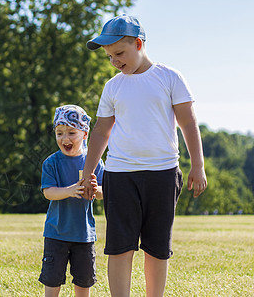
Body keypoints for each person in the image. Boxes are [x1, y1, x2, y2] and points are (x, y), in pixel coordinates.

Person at [82, 15, 207, 296]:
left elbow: (188, 122)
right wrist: (87, 172)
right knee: (119, 246)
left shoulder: (169, 78)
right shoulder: (113, 86)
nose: (114, 61)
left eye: (119, 54)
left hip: (163, 174)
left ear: (138, 44)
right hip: (120, 175)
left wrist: (197, 165)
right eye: (109, 56)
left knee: (157, 248)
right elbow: (101, 132)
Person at [39, 104, 105, 297]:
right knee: (52, 279)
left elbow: (104, 192)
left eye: (71, 132)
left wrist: (96, 189)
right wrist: (70, 190)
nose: (64, 138)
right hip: (56, 233)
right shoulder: (51, 162)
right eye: (59, 133)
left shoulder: (94, 162)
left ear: (84, 134)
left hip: (84, 235)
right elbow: (48, 192)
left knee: (84, 280)